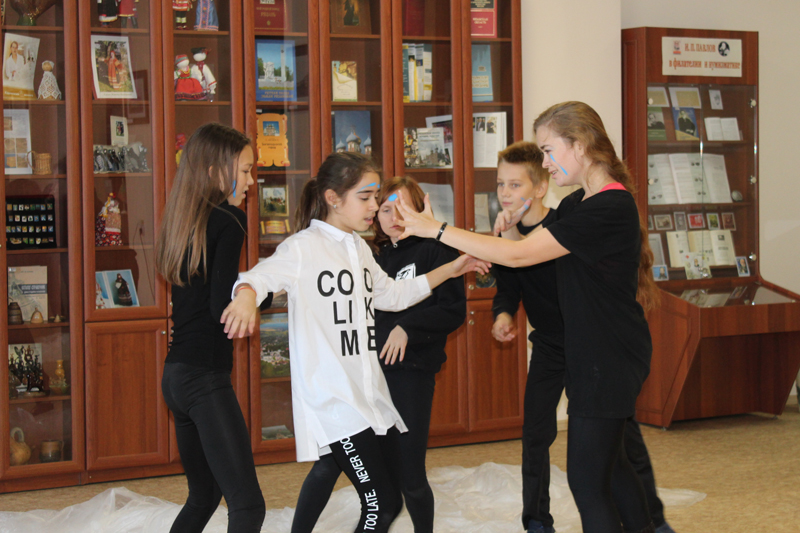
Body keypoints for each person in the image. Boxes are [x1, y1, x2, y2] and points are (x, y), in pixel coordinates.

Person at [396, 101, 660, 533]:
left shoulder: (607, 207)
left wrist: (437, 229)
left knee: (588, 483)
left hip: (606, 359)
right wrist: (516, 222)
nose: (546, 162)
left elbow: (518, 257)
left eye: (549, 150)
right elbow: (530, 242)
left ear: (580, 145)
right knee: (612, 470)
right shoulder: (580, 203)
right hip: (597, 354)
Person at [221, 152, 487, 533]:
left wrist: (450, 269)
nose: (375, 207)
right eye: (365, 197)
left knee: (389, 500)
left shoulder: (359, 249)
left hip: (369, 397)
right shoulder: (303, 247)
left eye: (375, 196)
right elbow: (259, 277)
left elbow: (392, 294)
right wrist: (246, 295)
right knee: (380, 502)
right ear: (332, 198)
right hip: (335, 402)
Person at [490, 141, 675, 533]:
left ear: (539, 188)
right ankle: (537, 519)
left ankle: (654, 520)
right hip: (557, 346)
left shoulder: (580, 215)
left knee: (614, 456)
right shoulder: (571, 208)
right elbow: (510, 280)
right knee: (544, 439)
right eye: (500, 184)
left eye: (515, 184)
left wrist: (437, 230)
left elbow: (523, 257)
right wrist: (503, 311)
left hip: (596, 350)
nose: (505, 193)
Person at [288, 176, 467, 533]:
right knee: (330, 463)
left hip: (410, 375)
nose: (394, 217)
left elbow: (453, 310)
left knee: (410, 476)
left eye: (403, 208)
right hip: (365, 378)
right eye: (385, 209)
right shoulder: (369, 254)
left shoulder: (436, 251)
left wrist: (407, 328)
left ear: (420, 207)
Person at [155, 123, 266, 533]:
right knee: (248, 507)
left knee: (203, 496)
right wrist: (261, 292)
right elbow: (224, 307)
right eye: (246, 171)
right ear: (215, 171)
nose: (251, 183)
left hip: (175, 377)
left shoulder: (184, 219)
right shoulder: (230, 219)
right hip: (203, 378)